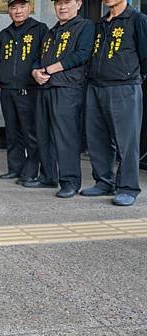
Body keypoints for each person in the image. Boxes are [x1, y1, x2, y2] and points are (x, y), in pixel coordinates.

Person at [80, 0, 147, 206]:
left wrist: (132, 76)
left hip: (124, 87)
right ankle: (104, 181)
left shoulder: (138, 19)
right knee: (97, 138)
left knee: (126, 141)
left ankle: (128, 187)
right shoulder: (100, 23)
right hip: (96, 85)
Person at [25, 0, 94, 198]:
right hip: (45, 87)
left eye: (67, 2)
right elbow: (39, 57)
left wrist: (48, 69)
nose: (62, 7)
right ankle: (48, 176)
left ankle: (70, 181)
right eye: (58, 3)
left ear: (79, 4)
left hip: (67, 88)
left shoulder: (85, 26)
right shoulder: (51, 31)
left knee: (66, 137)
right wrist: (35, 72)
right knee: (43, 134)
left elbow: (81, 55)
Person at [0, 0, 49, 184]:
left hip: (29, 89)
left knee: (30, 132)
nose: (17, 11)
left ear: (29, 8)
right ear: (8, 10)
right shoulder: (4, 34)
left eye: (22, 6)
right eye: (13, 7)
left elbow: (44, 56)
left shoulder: (40, 29)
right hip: (7, 90)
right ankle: (15, 168)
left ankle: (32, 170)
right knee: (12, 132)